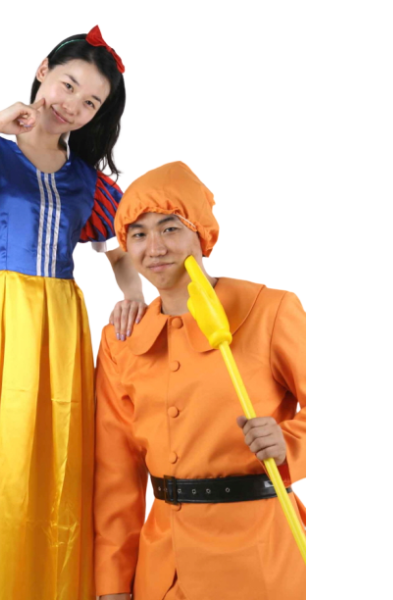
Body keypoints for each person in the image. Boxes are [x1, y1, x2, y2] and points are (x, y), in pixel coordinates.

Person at [0, 24, 148, 600]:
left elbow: (117, 249)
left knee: (50, 460)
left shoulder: (88, 180)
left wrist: (133, 293)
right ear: (42, 71)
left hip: (58, 327)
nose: (73, 106)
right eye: (68, 85)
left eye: (90, 103)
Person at [94, 159, 306, 600]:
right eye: (139, 234)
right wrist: (112, 583)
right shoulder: (121, 341)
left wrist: (289, 440)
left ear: (202, 234)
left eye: (170, 228)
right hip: (163, 568)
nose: (155, 247)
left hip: (261, 561)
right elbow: (115, 472)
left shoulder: (271, 311)